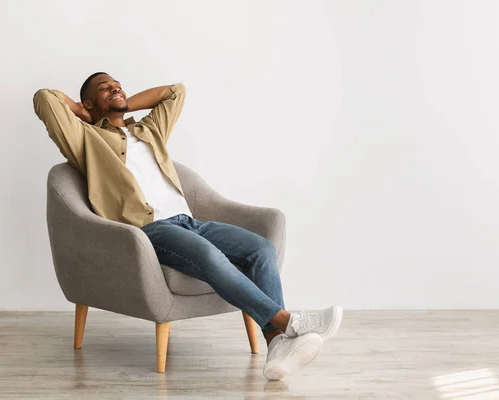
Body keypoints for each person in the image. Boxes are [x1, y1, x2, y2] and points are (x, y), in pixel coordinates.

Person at [33, 72, 343, 380]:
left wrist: (122, 104)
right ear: (90, 102)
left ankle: (276, 343)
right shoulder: (85, 139)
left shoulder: (149, 130)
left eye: (118, 84)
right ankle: (291, 322)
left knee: (261, 247)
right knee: (208, 256)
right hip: (150, 229)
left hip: (190, 222)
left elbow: (175, 92)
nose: (115, 87)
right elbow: (44, 99)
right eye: (105, 88)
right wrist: (80, 110)